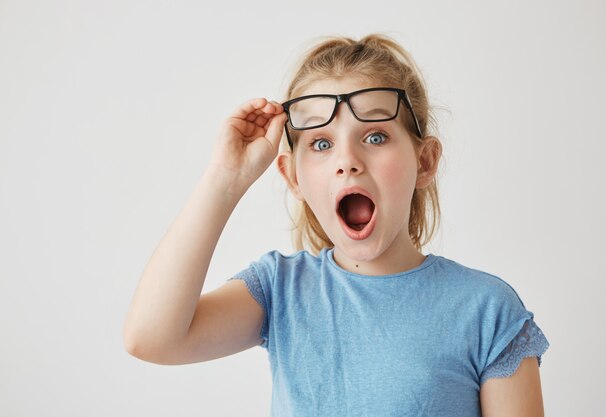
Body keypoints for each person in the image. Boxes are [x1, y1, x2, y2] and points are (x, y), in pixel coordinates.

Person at [124, 34, 549, 416]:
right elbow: (151, 337)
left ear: (424, 161)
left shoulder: (487, 310)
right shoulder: (280, 291)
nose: (347, 161)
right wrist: (226, 178)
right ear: (293, 177)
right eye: (322, 144)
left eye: (375, 136)